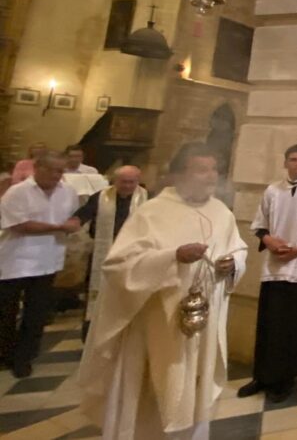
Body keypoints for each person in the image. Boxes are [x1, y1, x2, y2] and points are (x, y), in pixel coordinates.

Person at [79, 143, 246, 440]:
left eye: (214, 169)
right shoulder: (152, 212)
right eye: (202, 169)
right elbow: (118, 265)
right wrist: (173, 257)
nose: (211, 176)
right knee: (154, 391)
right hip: (156, 321)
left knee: (194, 387)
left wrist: (233, 264)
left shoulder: (222, 213)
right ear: (179, 174)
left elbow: (238, 249)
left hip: (202, 322)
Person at [237, 144, 297, 403]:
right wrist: (269, 241)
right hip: (275, 268)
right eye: (293, 159)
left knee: (295, 326)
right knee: (268, 323)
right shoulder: (272, 190)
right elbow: (260, 225)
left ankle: (285, 380)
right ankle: (261, 376)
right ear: (285, 163)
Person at [0, 151, 80, 378]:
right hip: (15, 260)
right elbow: (19, 225)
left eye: (60, 171)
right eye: (52, 170)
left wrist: (72, 223)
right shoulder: (18, 192)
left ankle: (24, 358)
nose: (56, 175)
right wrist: (59, 227)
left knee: (36, 313)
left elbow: (73, 217)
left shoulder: (68, 192)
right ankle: (4, 353)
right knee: (6, 311)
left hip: (48, 260)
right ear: (37, 168)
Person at [75, 166, 147, 340]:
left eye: (131, 182)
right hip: (104, 253)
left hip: (134, 255)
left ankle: (125, 336)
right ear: (115, 181)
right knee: (98, 295)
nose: (127, 186)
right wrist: (73, 222)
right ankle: (92, 338)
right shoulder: (100, 197)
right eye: (123, 182)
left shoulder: (148, 199)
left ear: (138, 181)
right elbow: (83, 215)